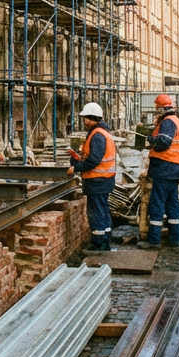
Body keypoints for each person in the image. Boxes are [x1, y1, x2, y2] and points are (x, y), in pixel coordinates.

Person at [67, 102, 116, 252]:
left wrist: (76, 168)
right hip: (103, 180)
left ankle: (99, 244)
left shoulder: (98, 135)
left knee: (96, 212)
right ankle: (105, 238)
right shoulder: (100, 133)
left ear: (93, 118)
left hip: (98, 181)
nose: (84, 121)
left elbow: (94, 160)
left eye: (86, 118)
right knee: (102, 210)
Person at [141, 94, 179, 248]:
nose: (156, 112)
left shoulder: (167, 122)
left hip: (165, 168)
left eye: (157, 109)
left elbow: (164, 142)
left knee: (157, 204)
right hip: (175, 168)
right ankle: (175, 238)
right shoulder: (176, 121)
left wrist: (151, 140)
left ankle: (154, 240)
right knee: (172, 204)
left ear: (161, 108)